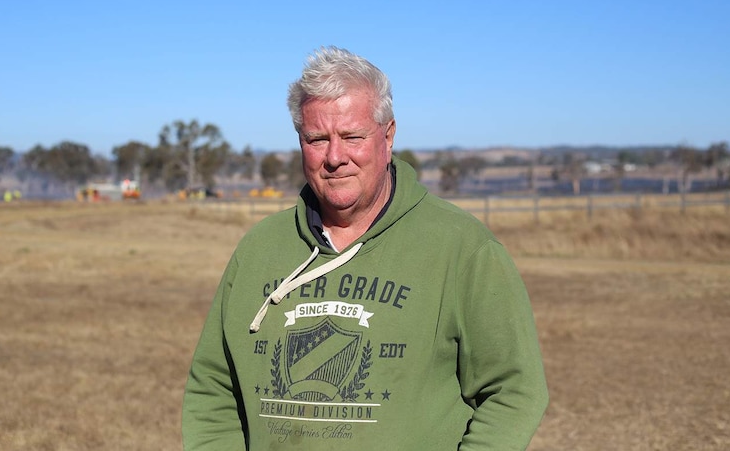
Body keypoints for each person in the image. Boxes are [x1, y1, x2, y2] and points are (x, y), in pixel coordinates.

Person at [182, 46, 549, 450]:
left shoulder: (462, 249)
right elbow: (213, 390)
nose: (335, 157)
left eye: (352, 136)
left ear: (388, 137)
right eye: (317, 139)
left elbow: (513, 391)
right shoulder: (259, 249)